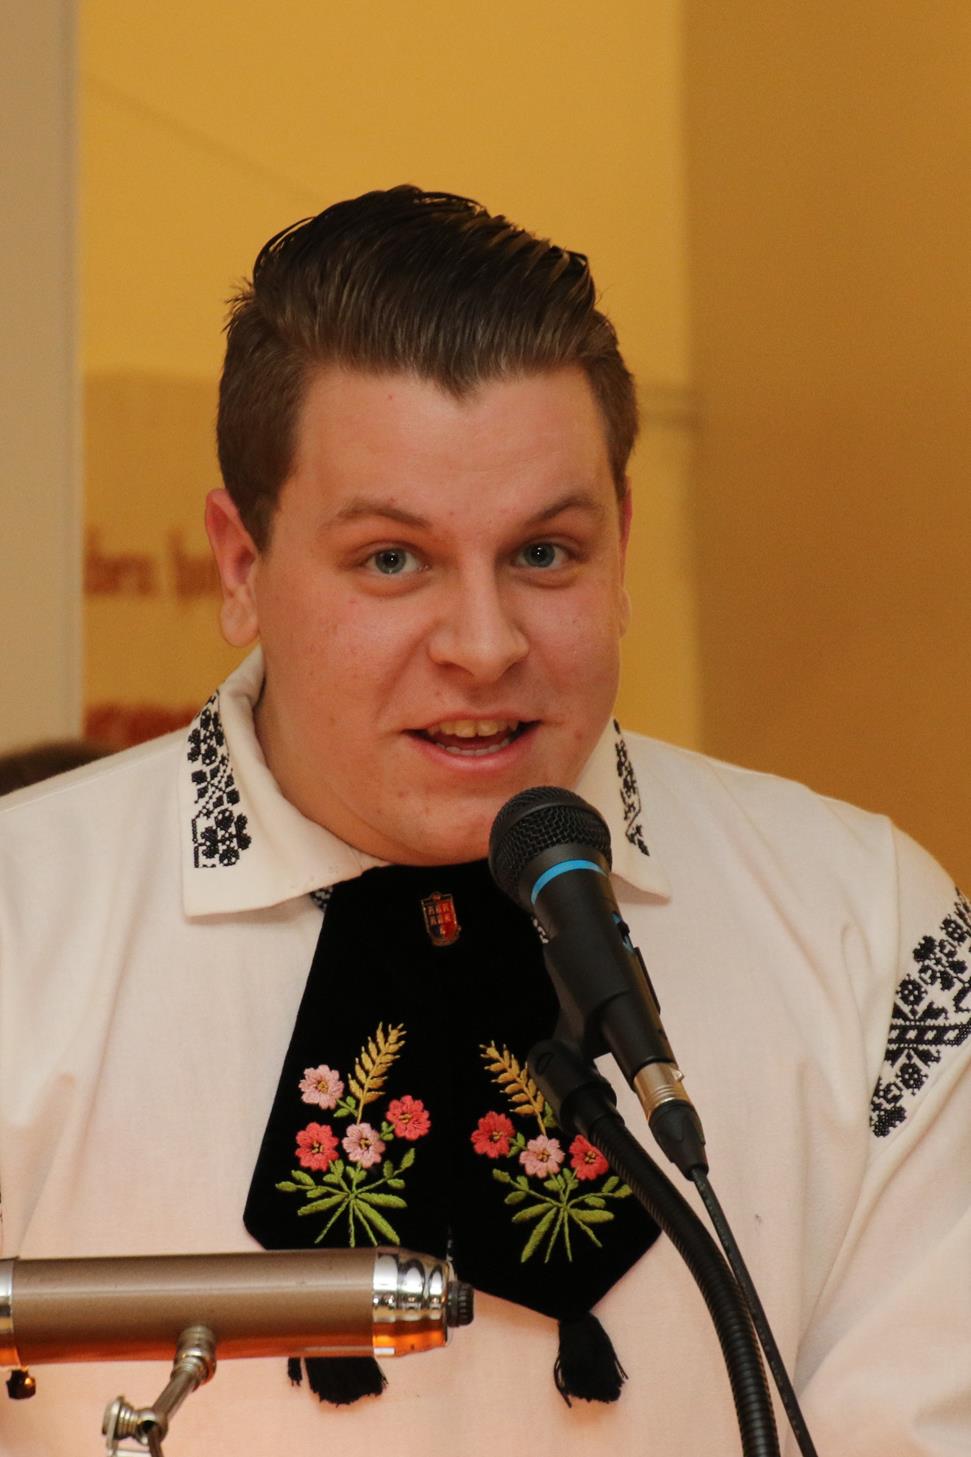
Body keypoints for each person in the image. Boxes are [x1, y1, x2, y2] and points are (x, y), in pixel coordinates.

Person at [0, 186, 968, 1457]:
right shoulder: (21, 924)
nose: (482, 643)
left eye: (543, 553)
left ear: (621, 543)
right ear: (240, 564)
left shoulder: (871, 931)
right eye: (391, 559)